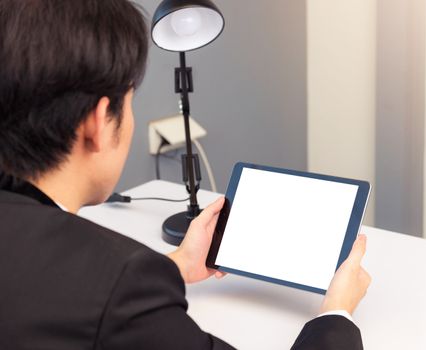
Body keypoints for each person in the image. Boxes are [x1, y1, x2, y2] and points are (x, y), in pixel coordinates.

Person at [0, 0, 371, 349]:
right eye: (130, 102)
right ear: (98, 122)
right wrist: (336, 312)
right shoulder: (121, 284)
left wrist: (176, 264)